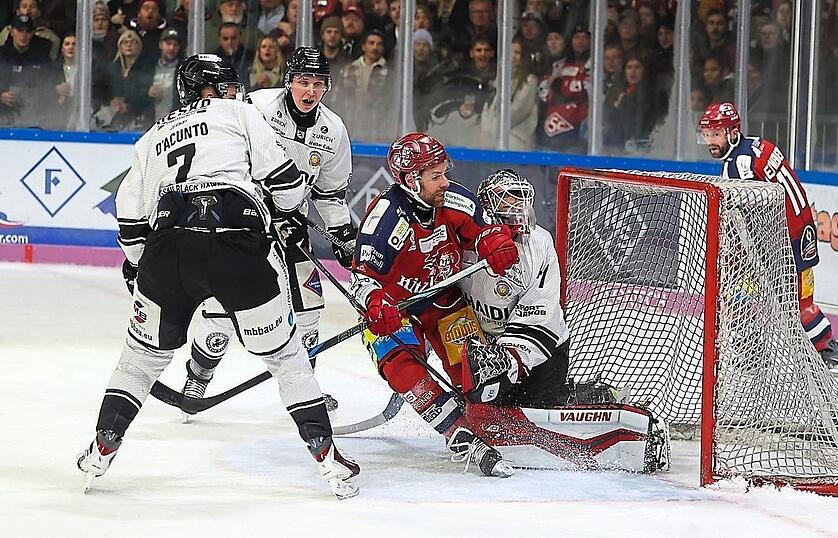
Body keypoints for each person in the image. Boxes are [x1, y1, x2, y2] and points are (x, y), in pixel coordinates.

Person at [76, 54, 360, 500]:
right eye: (228, 87)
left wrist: (138, 267)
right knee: (285, 357)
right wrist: (278, 213)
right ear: (214, 91)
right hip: (237, 238)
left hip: (169, 247)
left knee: (139, 360)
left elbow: (130, 222)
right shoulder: (243, 112)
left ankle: (101, 449)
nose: (234, 93)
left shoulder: (153, 135)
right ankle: (328, 460)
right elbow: (285, 187)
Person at [182, 47, 356, 417]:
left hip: (293, 228)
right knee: (222, 308)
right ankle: (199, 372)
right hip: (243, 223)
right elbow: (222, 148)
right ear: (288, 81)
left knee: (309, 308)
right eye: (303, 82)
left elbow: (329, 193)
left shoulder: (334, 131)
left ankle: (303, 383)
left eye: (318, 84)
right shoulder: (256, 106)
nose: (310, 91)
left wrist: (342, 233)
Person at [350, 132, 519, 477]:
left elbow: (483, 231)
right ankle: (456, 433)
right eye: (436, 176)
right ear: (412, 180)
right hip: (397, 310)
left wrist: (494, 241)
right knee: (401, 366)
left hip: (444, 302)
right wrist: (374, 303)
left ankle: (490, 418)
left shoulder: (455, 199)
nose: (446, 182)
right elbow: (361, 278)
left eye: (445, 172)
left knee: (478, 371)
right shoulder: (385, 218)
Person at [697, 102, 838, 375]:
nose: (711, 141)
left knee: (740, 295)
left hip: (778, 242)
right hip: (802, 232)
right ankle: (830, 354)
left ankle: (752, 355)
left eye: (717, 134)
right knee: (799, 301)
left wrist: (736, 250)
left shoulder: (738, 165)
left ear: (733, 132)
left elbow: (748, 213)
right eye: (708, 134)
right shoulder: (759, 145)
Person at [458, 169, 569, 407]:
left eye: (522, 196)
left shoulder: (539, 244)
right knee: (486, 419)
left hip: (539, 352)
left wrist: (505, 360)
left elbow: (539, 315)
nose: (518, 205)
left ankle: (594, 396)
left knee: (536, 423)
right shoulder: (462, 240)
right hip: (484, 350)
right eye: (508, 197)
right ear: (486, 205)